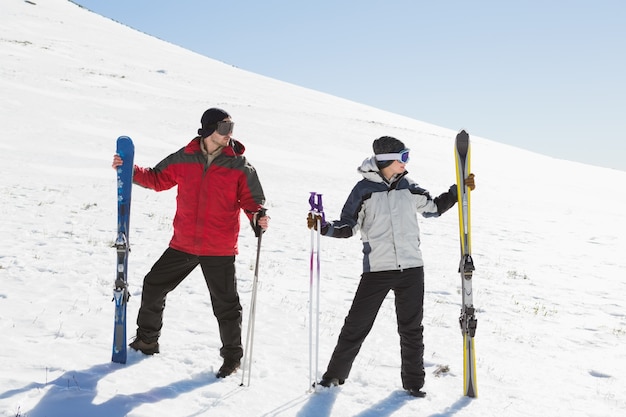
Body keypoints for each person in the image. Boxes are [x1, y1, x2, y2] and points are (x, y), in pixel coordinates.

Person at [307, 136, 475, 397]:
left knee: (411, 329)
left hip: (411, 269)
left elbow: (432, 208)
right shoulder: (362, 190)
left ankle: (414, 384)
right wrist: (325, 228)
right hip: (377, 270)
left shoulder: (408, 186)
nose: (406, 163)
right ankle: (334, 377)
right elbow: (348, 226)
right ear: (387, 161)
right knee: (356, 325)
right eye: (403, 158)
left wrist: (458, 192)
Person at [112, 107, 269, 379]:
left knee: (226, 306)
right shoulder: (184, 158)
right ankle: (147, 340)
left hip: (218, 248)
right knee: (153, 285)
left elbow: (253, 201)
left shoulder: (240, 166)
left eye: (231, 127)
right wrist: (128, 170)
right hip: (183, 243)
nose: (228, 133)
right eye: (223, 127)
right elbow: (157, 178)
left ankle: (232, 358)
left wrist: (258, 217)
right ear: (209, 129)